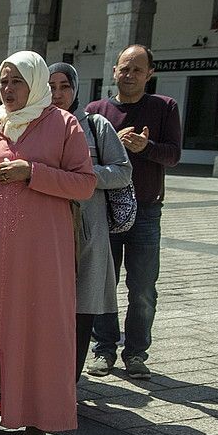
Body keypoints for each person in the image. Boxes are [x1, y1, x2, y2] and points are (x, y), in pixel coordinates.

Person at [0, 50, 95, 435]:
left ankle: (36, 420)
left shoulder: (63, 124)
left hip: (42, 255)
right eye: (3, 81)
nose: (8, 89)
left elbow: (84, 184)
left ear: (36, 82)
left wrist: (34, 172)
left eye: (16, 81)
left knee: (36, 329)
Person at [86, 45, 183, 379]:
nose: (128, 75)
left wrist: (147, 147)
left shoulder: (164, 107)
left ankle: (137, 353)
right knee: (103, 282)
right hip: (104, 211)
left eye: (137, 70)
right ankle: (104, 349)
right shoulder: (96, 111)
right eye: (124, 69)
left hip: (146, 211)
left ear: (149, 74)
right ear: (114, 70)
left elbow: (173, 155)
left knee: (142, 287)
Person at [48, 62, 133, 378]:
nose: (58, 94)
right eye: (51, 87)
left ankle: (70, 382)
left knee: (82, 309)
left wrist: (81, 177)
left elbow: (123, 171)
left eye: (64, 86)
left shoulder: (96, 126)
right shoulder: (36, 125)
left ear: (76, 88)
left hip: (88, 232)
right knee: (49, 308)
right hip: (48, 231)